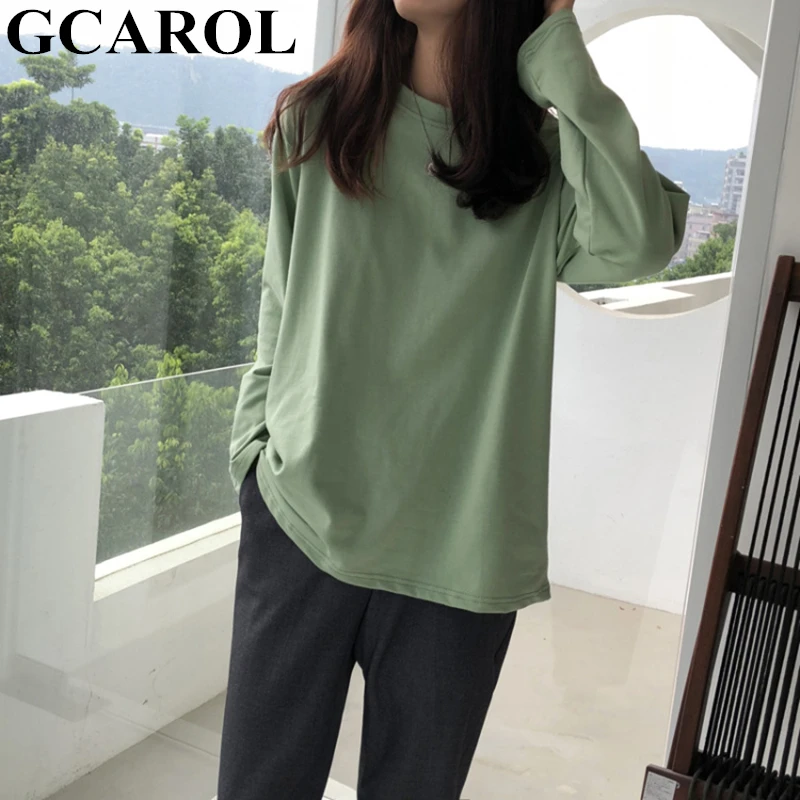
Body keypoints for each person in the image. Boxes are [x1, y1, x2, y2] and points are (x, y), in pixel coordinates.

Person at [218, 0, 690, 797]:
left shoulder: (542, 164)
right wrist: (253, 457)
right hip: (301, 519)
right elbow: (280, 305)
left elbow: (638, 242)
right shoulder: (320, 120)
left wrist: (558, 50)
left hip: (462, 556)